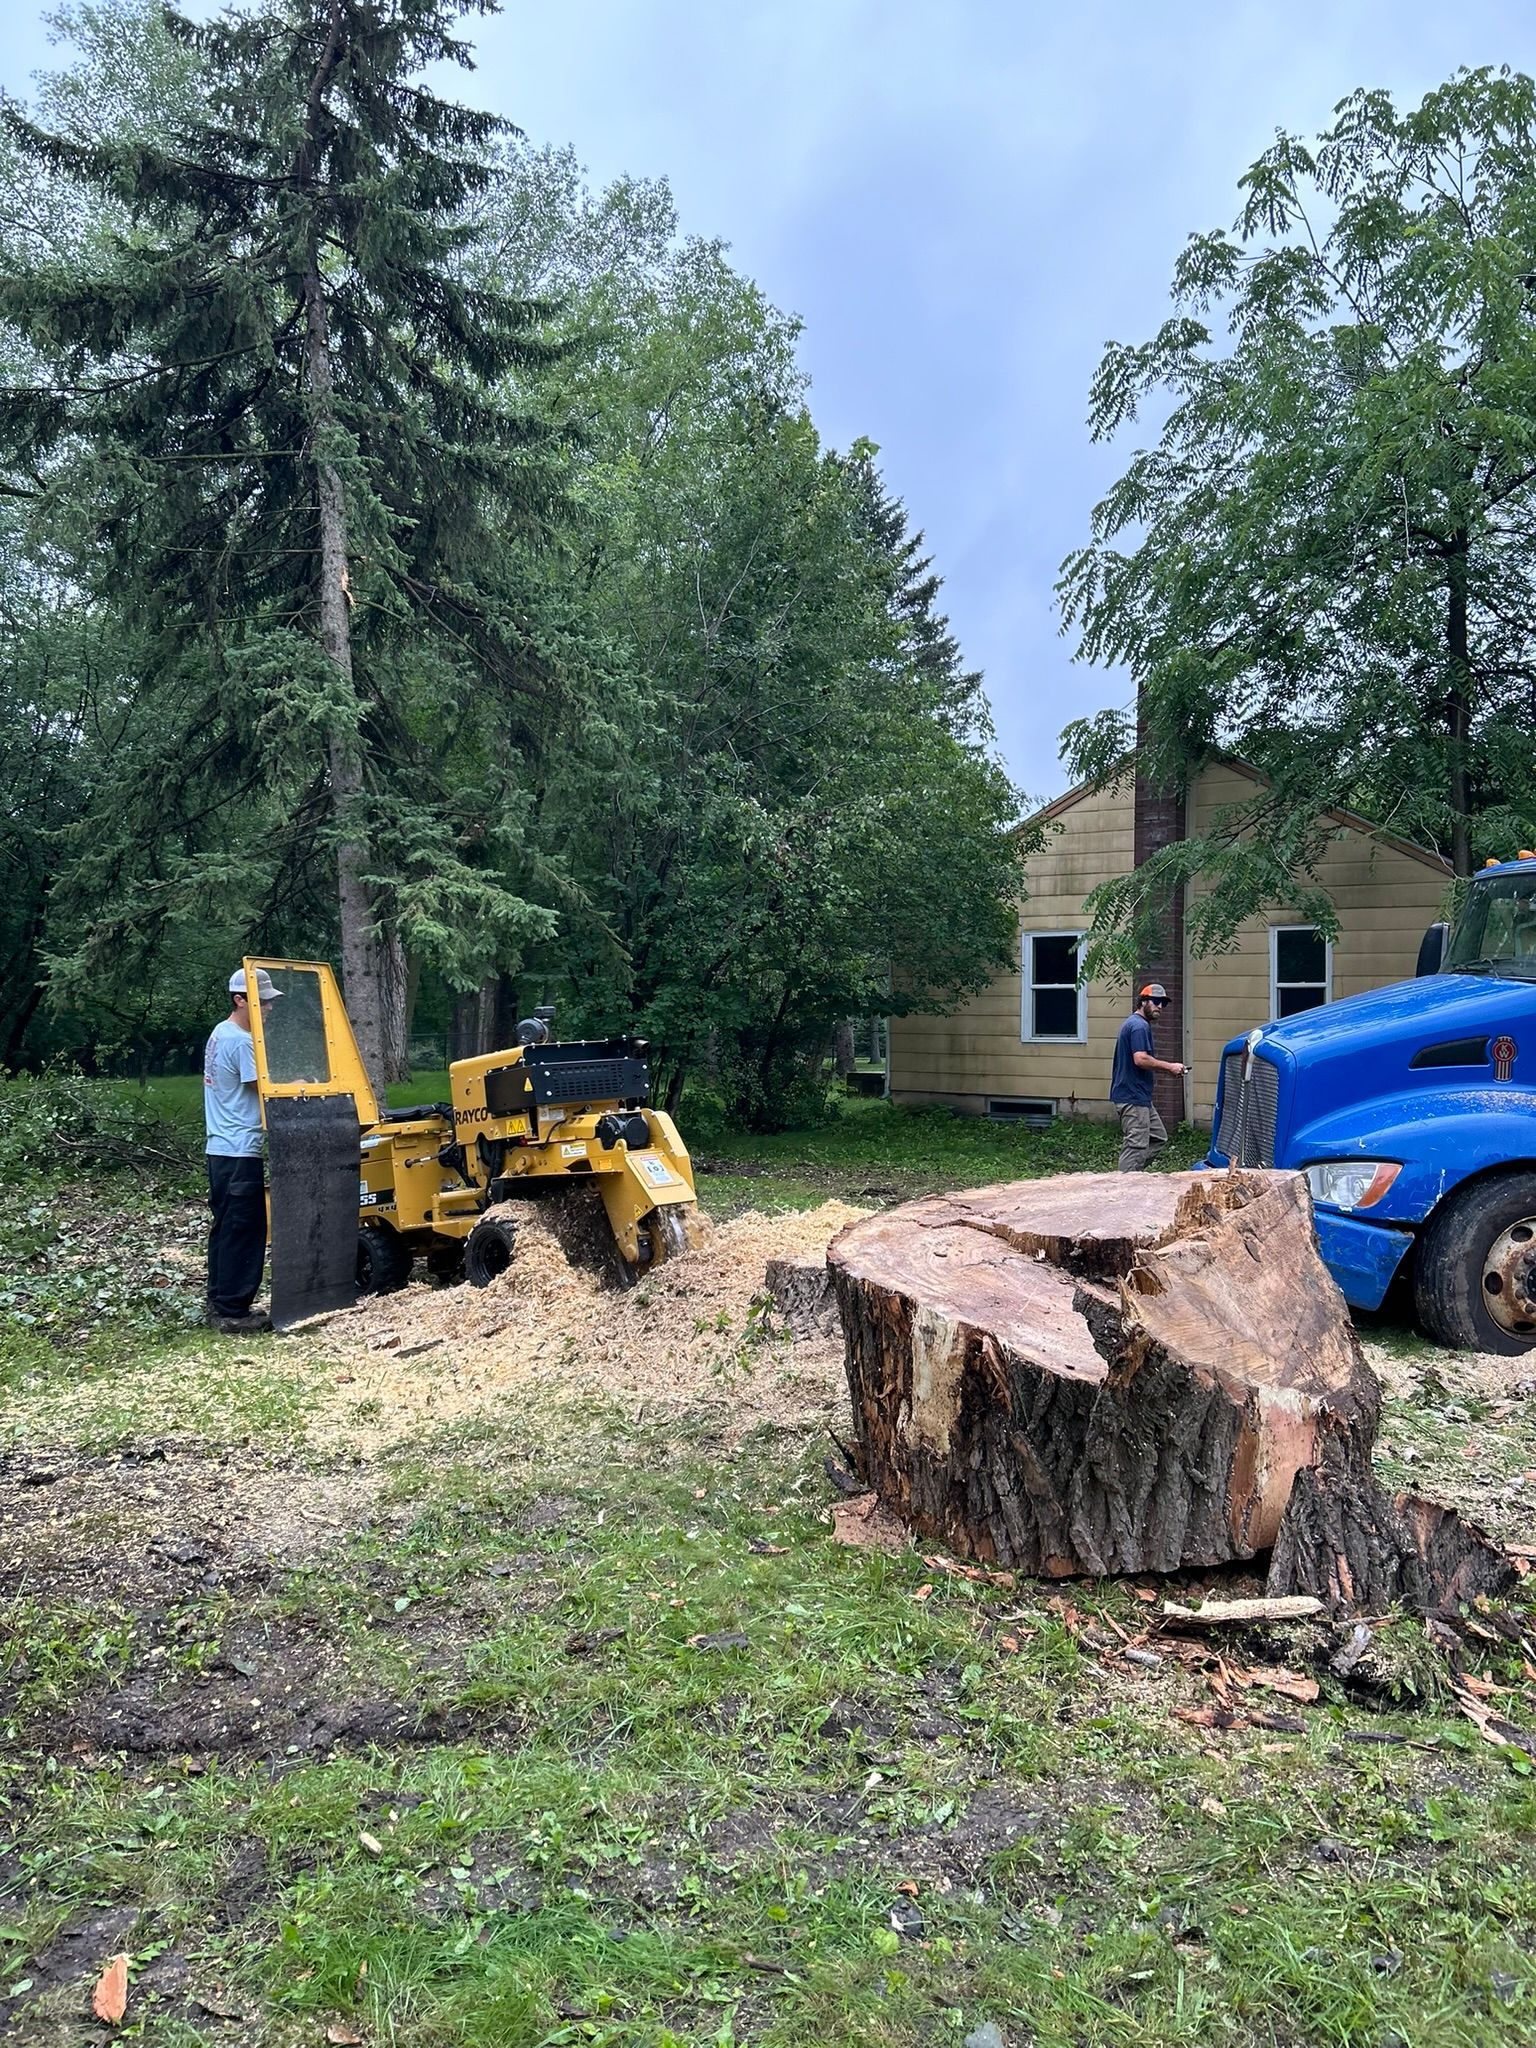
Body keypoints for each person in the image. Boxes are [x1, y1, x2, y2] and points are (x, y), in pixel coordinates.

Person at [203, 966, 280, 1332]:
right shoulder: (241, 1041)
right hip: (239, 1150)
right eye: (262, 1002)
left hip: (220, 1150)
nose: (268, 1009)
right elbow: (264, 1090)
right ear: (240, 999)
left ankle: (220, 1300)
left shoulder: (220, 1033)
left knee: (225, 1228)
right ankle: (233, 1312)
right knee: (245, 1229)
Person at [1110, 982, 1189, 1172]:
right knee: (1135, 1145)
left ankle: (1132, 1173)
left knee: (1158, 1137)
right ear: (1143, 1001)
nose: (1160, 1006)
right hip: (1132, 1097)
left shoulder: (1136, 1024)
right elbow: (1141, 1059)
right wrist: (1170, 1067)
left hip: (1139, 1097)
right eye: (1155, 1001)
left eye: (1163, 1003)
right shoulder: (1138, 1026)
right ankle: (1124, 1185)